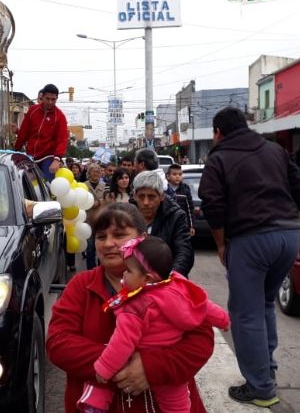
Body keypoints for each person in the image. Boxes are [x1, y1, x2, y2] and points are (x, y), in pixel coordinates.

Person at [47, 203, 214, 413]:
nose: (108, 243)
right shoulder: (81, 286)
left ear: (142, 238)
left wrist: (151, 367)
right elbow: (58, 344)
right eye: (101, 237)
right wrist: (119, 361)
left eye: (119, 235)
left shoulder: (171, 283)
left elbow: (201, 339)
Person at [198, 106, 300, 408]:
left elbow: (213, 204)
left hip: (251, 239)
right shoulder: (274, 150)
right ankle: (267, 371)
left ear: (218, 132)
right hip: (287, 235)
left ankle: (260, 388)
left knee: (245, 314)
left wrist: (220, 245)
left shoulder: (218, 158)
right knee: (265, 304)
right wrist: (296, 228)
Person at [78, 235, 230, 413]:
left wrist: (103, 368)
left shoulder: (136, 306)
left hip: (141, 353)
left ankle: (95, 404)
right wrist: (223, 320)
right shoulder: (177, 283)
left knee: (104, 379)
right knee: (177, 404)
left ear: (147, 278)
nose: (124, 274)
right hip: (169, 360)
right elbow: (204, 306)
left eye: (128, 271)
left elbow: (122, 341)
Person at [131, 171, 194, 276]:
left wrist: (172, 278)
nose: (146, 202)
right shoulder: (126, 215)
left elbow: (184, 251)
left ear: (161, 196)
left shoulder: (176, 216)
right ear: (134, 196)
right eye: (141, 196)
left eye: (151, 197)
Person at [14, 83, 69, 181]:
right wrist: (16, 151)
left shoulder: (60, 116)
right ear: (42, 97)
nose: (50, 102)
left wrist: (57, 159)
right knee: (24, 184)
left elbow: (62, 139)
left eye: (53, 99)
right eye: (48, 99)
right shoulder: (32, 111)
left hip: (48, 157)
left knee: (47, 185)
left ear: (56, 99)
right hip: (30, 156)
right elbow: (23, 133)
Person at [84, 163, 107, 271]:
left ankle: (102, 270)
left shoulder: (104, 185)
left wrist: (100, 202)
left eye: (97, 171)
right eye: (93, 171)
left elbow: (108, 200)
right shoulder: (84, 185)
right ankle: (91, 271)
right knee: (90, 249)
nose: (95, 173)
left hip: (102, 221)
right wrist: (90, 204)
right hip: (88, 221)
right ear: (89, 173)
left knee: (102, 248)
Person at [166, 164, 194, 236]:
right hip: (167, 223)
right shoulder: (165, 190)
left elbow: (189, 209)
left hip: (182, 224)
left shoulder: (185, 190)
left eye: (180, 174)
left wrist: (191, 226)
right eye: (174, 174)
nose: (178, 176)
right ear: (168, 176)